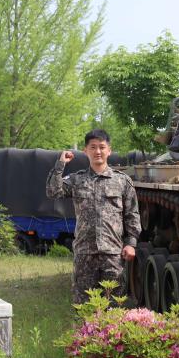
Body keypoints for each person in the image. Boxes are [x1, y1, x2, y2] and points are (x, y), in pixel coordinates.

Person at [46, 129, 141, 304]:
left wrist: (131, 244)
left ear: (109, 151)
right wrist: (60, 164)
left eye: (102, 147)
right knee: (83, 305)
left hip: (112, 253)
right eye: (93, 147)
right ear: (85, 151)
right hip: (85, 253)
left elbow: (131, 214)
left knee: (113, 304)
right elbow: (53, 191)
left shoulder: (122, 181)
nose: (98, 151)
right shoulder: (76, 180)